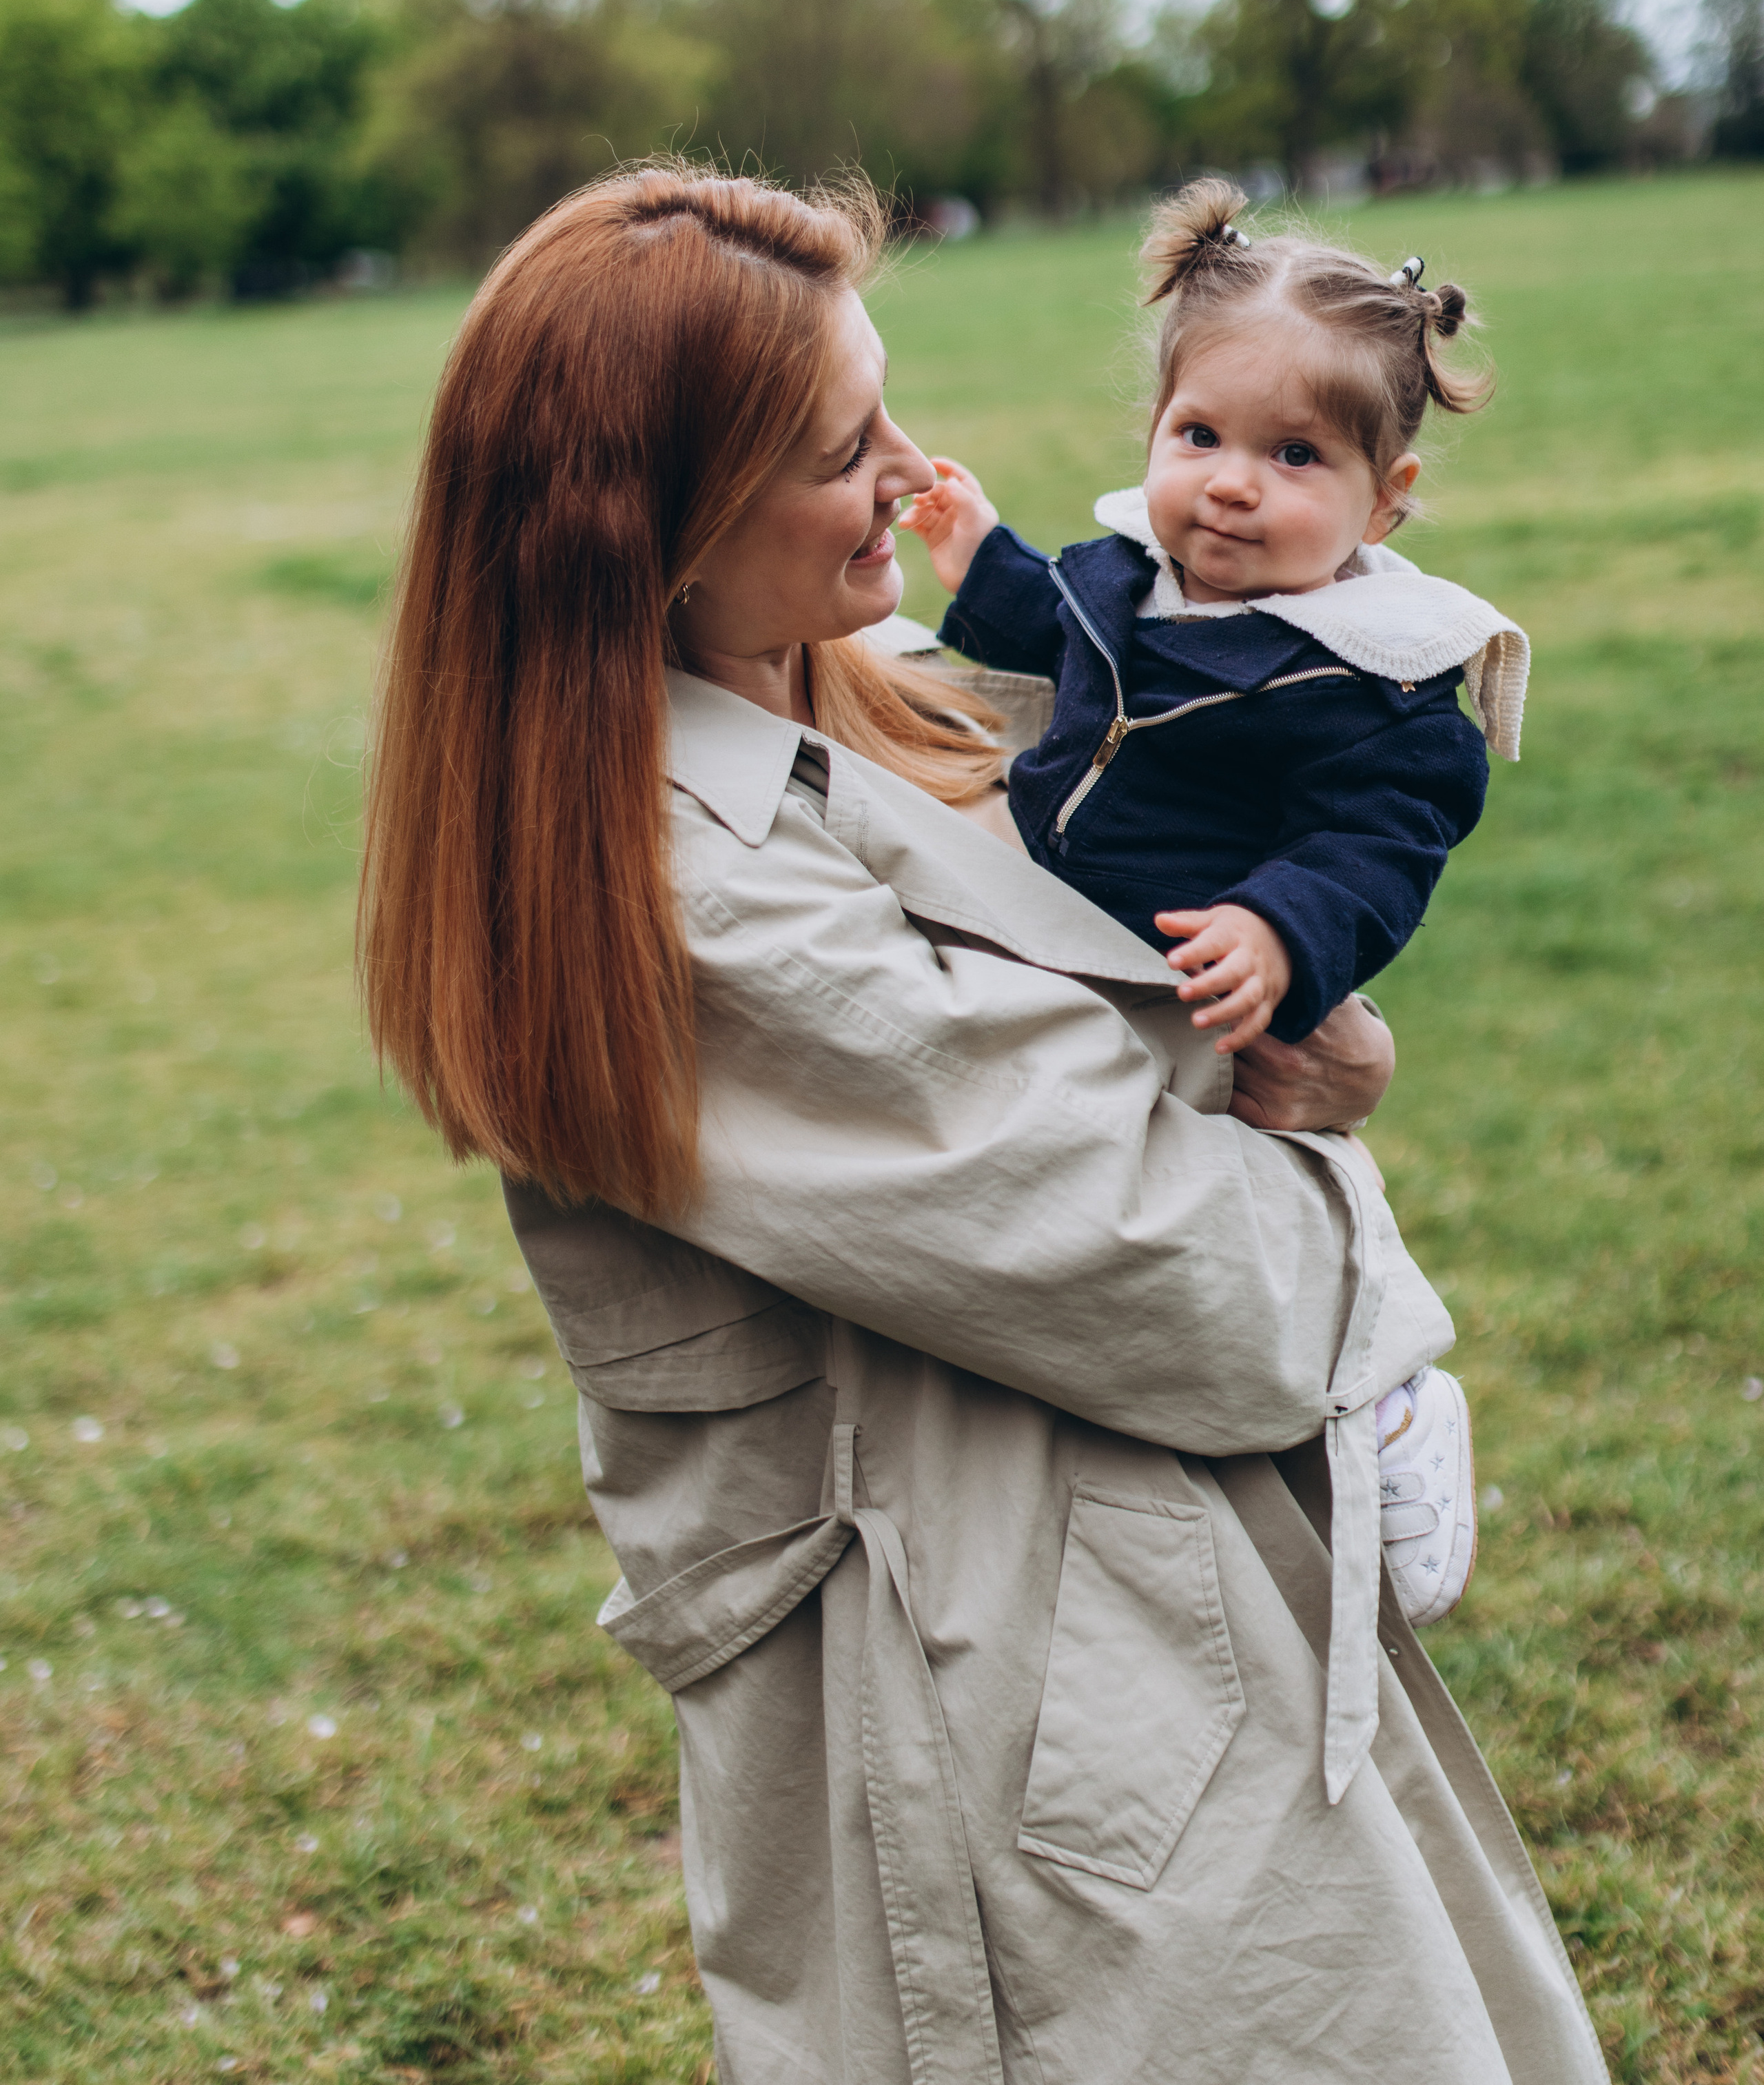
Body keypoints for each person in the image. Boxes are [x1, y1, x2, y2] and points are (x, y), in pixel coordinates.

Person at [358, 163, 1606, 2085]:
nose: (905, 473)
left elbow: (1201, 997)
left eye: (885, 409)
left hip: (1130, 1611)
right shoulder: (680, 885)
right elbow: (1175, 1271)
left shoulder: (912, 708)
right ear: (661, 523)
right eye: (837, 448)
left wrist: (1328, 1056)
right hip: (993, 1687)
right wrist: (1349, 1220)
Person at [900, 177, 1532, 1631]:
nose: (1229, 481)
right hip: (1092, 972)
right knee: (1163, 1260)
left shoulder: (1373, 687)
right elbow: (1054, 629)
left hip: (1225, 997)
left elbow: (1378, 846)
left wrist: (1279, 927)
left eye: (1292, 453)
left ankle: (1388, 1402)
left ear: (1385, 498)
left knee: (1290, 1215)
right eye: (1199, 436)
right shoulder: (1137, 578)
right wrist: (977, 557)